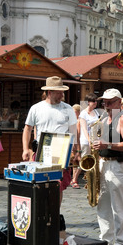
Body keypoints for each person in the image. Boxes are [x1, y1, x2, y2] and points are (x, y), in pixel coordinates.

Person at [22, 76, 80, 204]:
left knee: (57, 185)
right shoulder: (36, 108)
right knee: (39, 183)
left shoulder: (68, 109)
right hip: (42, 150)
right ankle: (40, 213)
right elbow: (27, 129)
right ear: (50, 92)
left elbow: (73, 131)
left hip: (61, 152)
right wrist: (26, 149)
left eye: (62, 92)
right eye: (59, 92)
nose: (62, 95)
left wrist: (77, 151)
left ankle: (54, 215)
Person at [92, 88, 123, 245]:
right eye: (104, 102)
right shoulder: (103, 118)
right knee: (102, 204)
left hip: (118, 164)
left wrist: (106, 145)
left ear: (118, 102)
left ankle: (121, 242)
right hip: (103, 163)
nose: (106, 105)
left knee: (119, 205)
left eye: (109, 102)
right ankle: (106, 239)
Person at [71, 93, 100, 189]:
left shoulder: (96, 112)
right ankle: (74, 179)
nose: (95, 103)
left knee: (95, 160)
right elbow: (83, 128)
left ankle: (91, 180)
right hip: (85, 141)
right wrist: (89, 140)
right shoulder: (83, 113)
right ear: (88, 102)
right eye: (93, 101)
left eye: (96, 101)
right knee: (84, 160)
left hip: (95, 139)